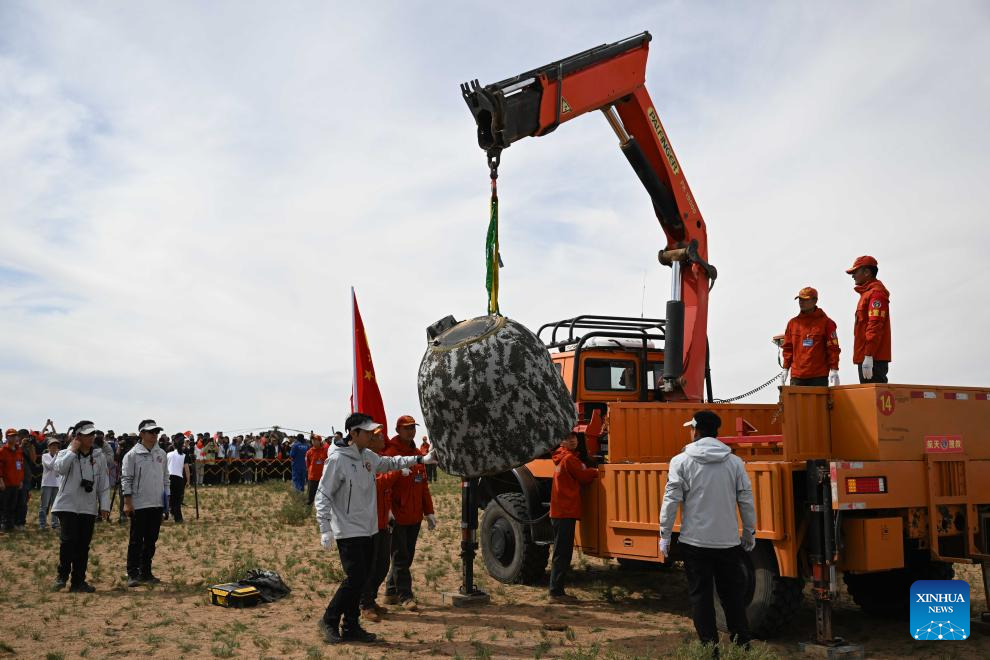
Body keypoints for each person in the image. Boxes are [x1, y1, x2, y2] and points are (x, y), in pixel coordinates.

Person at [315, 412, 436, 645]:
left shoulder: (368, 456)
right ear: (354, 433)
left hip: (369, 528)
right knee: (355, 578)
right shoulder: (337, 460)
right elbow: (323, 495)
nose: (372, 435)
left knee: (362, 579)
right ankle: (329, 620)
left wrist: (421, 460)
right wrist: (325, 528)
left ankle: (351, 626)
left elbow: (391, 462)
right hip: (348, 530)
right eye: (367, 431)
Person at [659, 410, 756, 653]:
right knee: (732, 596)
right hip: (728, 542)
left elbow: (671, 500)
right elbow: (745, 499)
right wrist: (749, 531)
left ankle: (709, 650)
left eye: (692, 428)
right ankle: (742, 647)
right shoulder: (734, 462)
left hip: (695, 543)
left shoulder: (680, 461)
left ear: (697, 430)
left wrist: (664, 534)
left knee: (701, 597)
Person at [382, 415, 436, 611]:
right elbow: (384, 485)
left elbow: (423, 487)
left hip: (414, 516)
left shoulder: (417, 455)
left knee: (405, 556)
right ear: (398, 430)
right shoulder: (390, 454)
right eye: (406, 428)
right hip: (397, 517)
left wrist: (429, 512)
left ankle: (390, 592)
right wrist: (388, 512)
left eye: (413, 427)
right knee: (401, 557)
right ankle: (406, 596)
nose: (411, 431)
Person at [51, 421, 111, 592]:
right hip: (67, 504)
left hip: (88, 506)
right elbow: (60, 469)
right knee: (68, 542)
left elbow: (103, 483)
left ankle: (78, 581)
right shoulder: (64, 453)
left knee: (83, 545)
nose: (92, 437)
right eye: (87, 434)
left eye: (93, 434)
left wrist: (104, 505)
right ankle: (62, 576)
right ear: (77, 436)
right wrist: (72, 450)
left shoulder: (99, 456)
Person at [548, 432, 598, 602]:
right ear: (561, 441)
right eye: (569, 438)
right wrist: (596, 471)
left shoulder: (562, 457)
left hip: (560, 511)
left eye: (575, 437)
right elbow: (584, 477)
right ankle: (556, 592)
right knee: (562, 553)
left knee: (560, 552)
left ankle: (556, 590)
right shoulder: (569, 459)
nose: (573, 440)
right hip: (565, 511)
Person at [121, 419, 170, 587]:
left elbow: (165, 479)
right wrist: (128, 503)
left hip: (156, 504)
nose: (154, 435)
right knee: (136, 541)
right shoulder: (132, 455)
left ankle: (146, 572)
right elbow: (126, 479)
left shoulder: (161, 454)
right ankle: (132, 573)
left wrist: (166, 503)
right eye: (151, 432)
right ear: (141, 434)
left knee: (151, 540)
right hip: (139, 505)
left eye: (156, 432)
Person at [360, 433, 402, 622]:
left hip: (382, 521)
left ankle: (371, 599)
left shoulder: (378, 460)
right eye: (379, 437)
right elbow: (378, 484)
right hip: (369, 524)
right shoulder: (365, 462)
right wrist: (398, 471)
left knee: (383, 565)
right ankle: (365, 604)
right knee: (370, 567)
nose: (384, 439)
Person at [781, 287, 841, 387]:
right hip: (797, 376)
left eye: (805, 299)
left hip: (818, 376)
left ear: (815, 301)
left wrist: (834, 369)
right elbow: (788, 348)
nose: (801, 302)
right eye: (800, 299)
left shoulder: (826, 323)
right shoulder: (792, 323)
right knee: (796, 403)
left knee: (818, 403)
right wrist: (785, 368)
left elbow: (833, 348)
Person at [846, 255, 891, 383]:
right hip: (867, 357)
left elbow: (875, 325)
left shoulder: (876, 294)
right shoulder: (867, 294)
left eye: (855, 272)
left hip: (873, 358)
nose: (853, 275)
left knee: (873, 399)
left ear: (867, 272)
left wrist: (869, 355)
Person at [0, 429, 27, 532]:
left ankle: (9, 525)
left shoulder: (19, 451)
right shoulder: (2, 451)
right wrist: (1, 480)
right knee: (3, 505)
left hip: (16, 484)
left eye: (15, 436)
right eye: (10, 436)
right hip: (5, 484)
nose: (13, 438)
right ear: (6, 437)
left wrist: (20, 481)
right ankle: (2, 525)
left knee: (13, 506)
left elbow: (20, 467)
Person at [39, 437, 62, 530]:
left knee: (55, 506)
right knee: (44, 505)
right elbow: (49, 466)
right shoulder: (45, 456)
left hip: (56, 484)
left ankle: (55, 524)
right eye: (52, 445)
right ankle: (42, 524)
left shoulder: (59, 456)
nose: (54, 447)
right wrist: (56, 456)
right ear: (48, 447)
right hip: (47, 484)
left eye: (56, 446)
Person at [166, 435, 191, 523]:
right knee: (177, 499)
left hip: (168, 477)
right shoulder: (184, 455)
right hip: (178, 478)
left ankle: (170, 513)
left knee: (170, 497)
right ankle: (178, 518)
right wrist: (188, 480)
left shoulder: (168, 454)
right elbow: (186, 469)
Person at [305, 435, 328, 506]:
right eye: (312, 440)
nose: (313, 442)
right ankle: (308, 507)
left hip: (323, 477)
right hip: (312, 477)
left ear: (319, 441)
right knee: (310, 494)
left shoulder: (325, 451)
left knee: (322, 495)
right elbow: (307, 464)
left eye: (315, 440)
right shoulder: (309, 452)